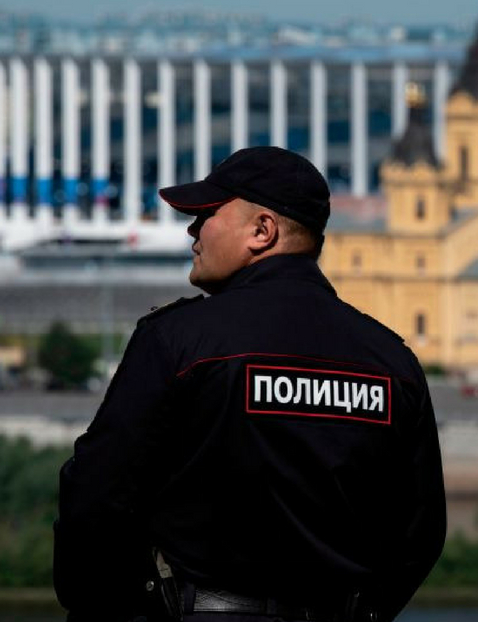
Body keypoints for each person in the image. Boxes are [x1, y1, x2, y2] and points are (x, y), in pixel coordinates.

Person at [55, 146, 446, 622]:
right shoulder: (391, 360)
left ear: (262, 231)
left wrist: (112, 608)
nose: (192, 232)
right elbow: (419, 533)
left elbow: (97, 498)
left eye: (206, 216)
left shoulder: (180, 341)